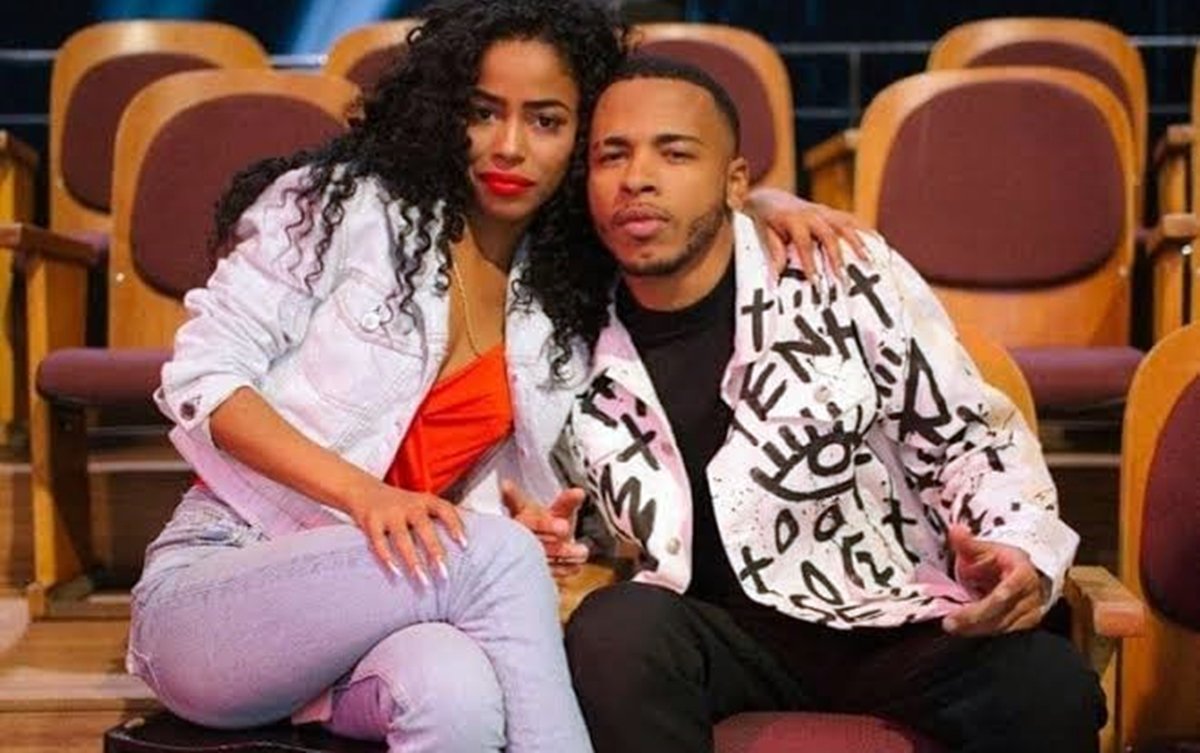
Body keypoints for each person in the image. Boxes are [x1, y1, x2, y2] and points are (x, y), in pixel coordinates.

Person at [125, 3, 864, 752]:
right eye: (484, 113)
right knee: (492, 557)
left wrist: (762, 203)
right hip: (225, 578)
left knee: (458, 698)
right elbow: (203, 380)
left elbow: (692, 218)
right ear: (446, 113)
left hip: (396, 607)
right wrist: (365, 496)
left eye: (546, 121)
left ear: (582, 140)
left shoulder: (562, 292)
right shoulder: (344, 209)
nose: (509, 146)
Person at [558, 56, 1107, 753]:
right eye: (612, 155)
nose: (637, 177)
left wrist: (1018, 546)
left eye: (675, 153)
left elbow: (969, 438)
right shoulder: (565, 336)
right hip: (717, 633)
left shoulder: (838, 273)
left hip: (890, 614)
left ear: (734, 180)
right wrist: (559, 541)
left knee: (1048, 685)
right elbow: (571, 512)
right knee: (614, 634)